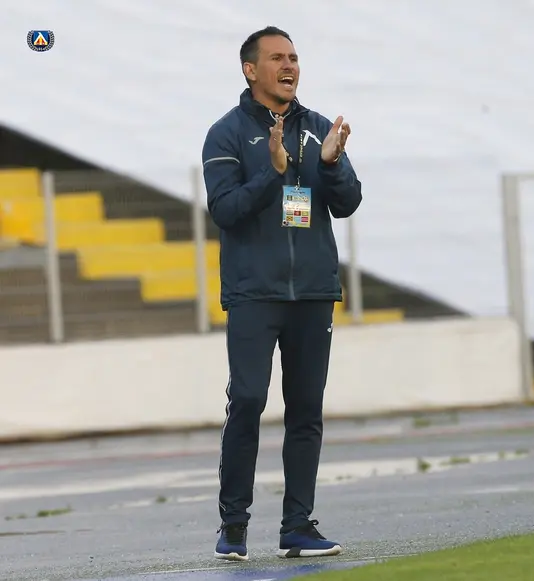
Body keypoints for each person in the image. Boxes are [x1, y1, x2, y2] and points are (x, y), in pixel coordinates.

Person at [201, 26, 362, 561]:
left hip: (313, 292)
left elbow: (348, 203)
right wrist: (271, 175)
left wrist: (332, 165)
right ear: (251, 70)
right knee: (248, 400)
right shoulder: (225, 134)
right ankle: (233, 525)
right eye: (277, 58)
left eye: (293, 57)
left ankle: (298, 527)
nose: (289, 66)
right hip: (254, 293)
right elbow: (225, 210)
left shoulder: (318, 130)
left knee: (306, 409)